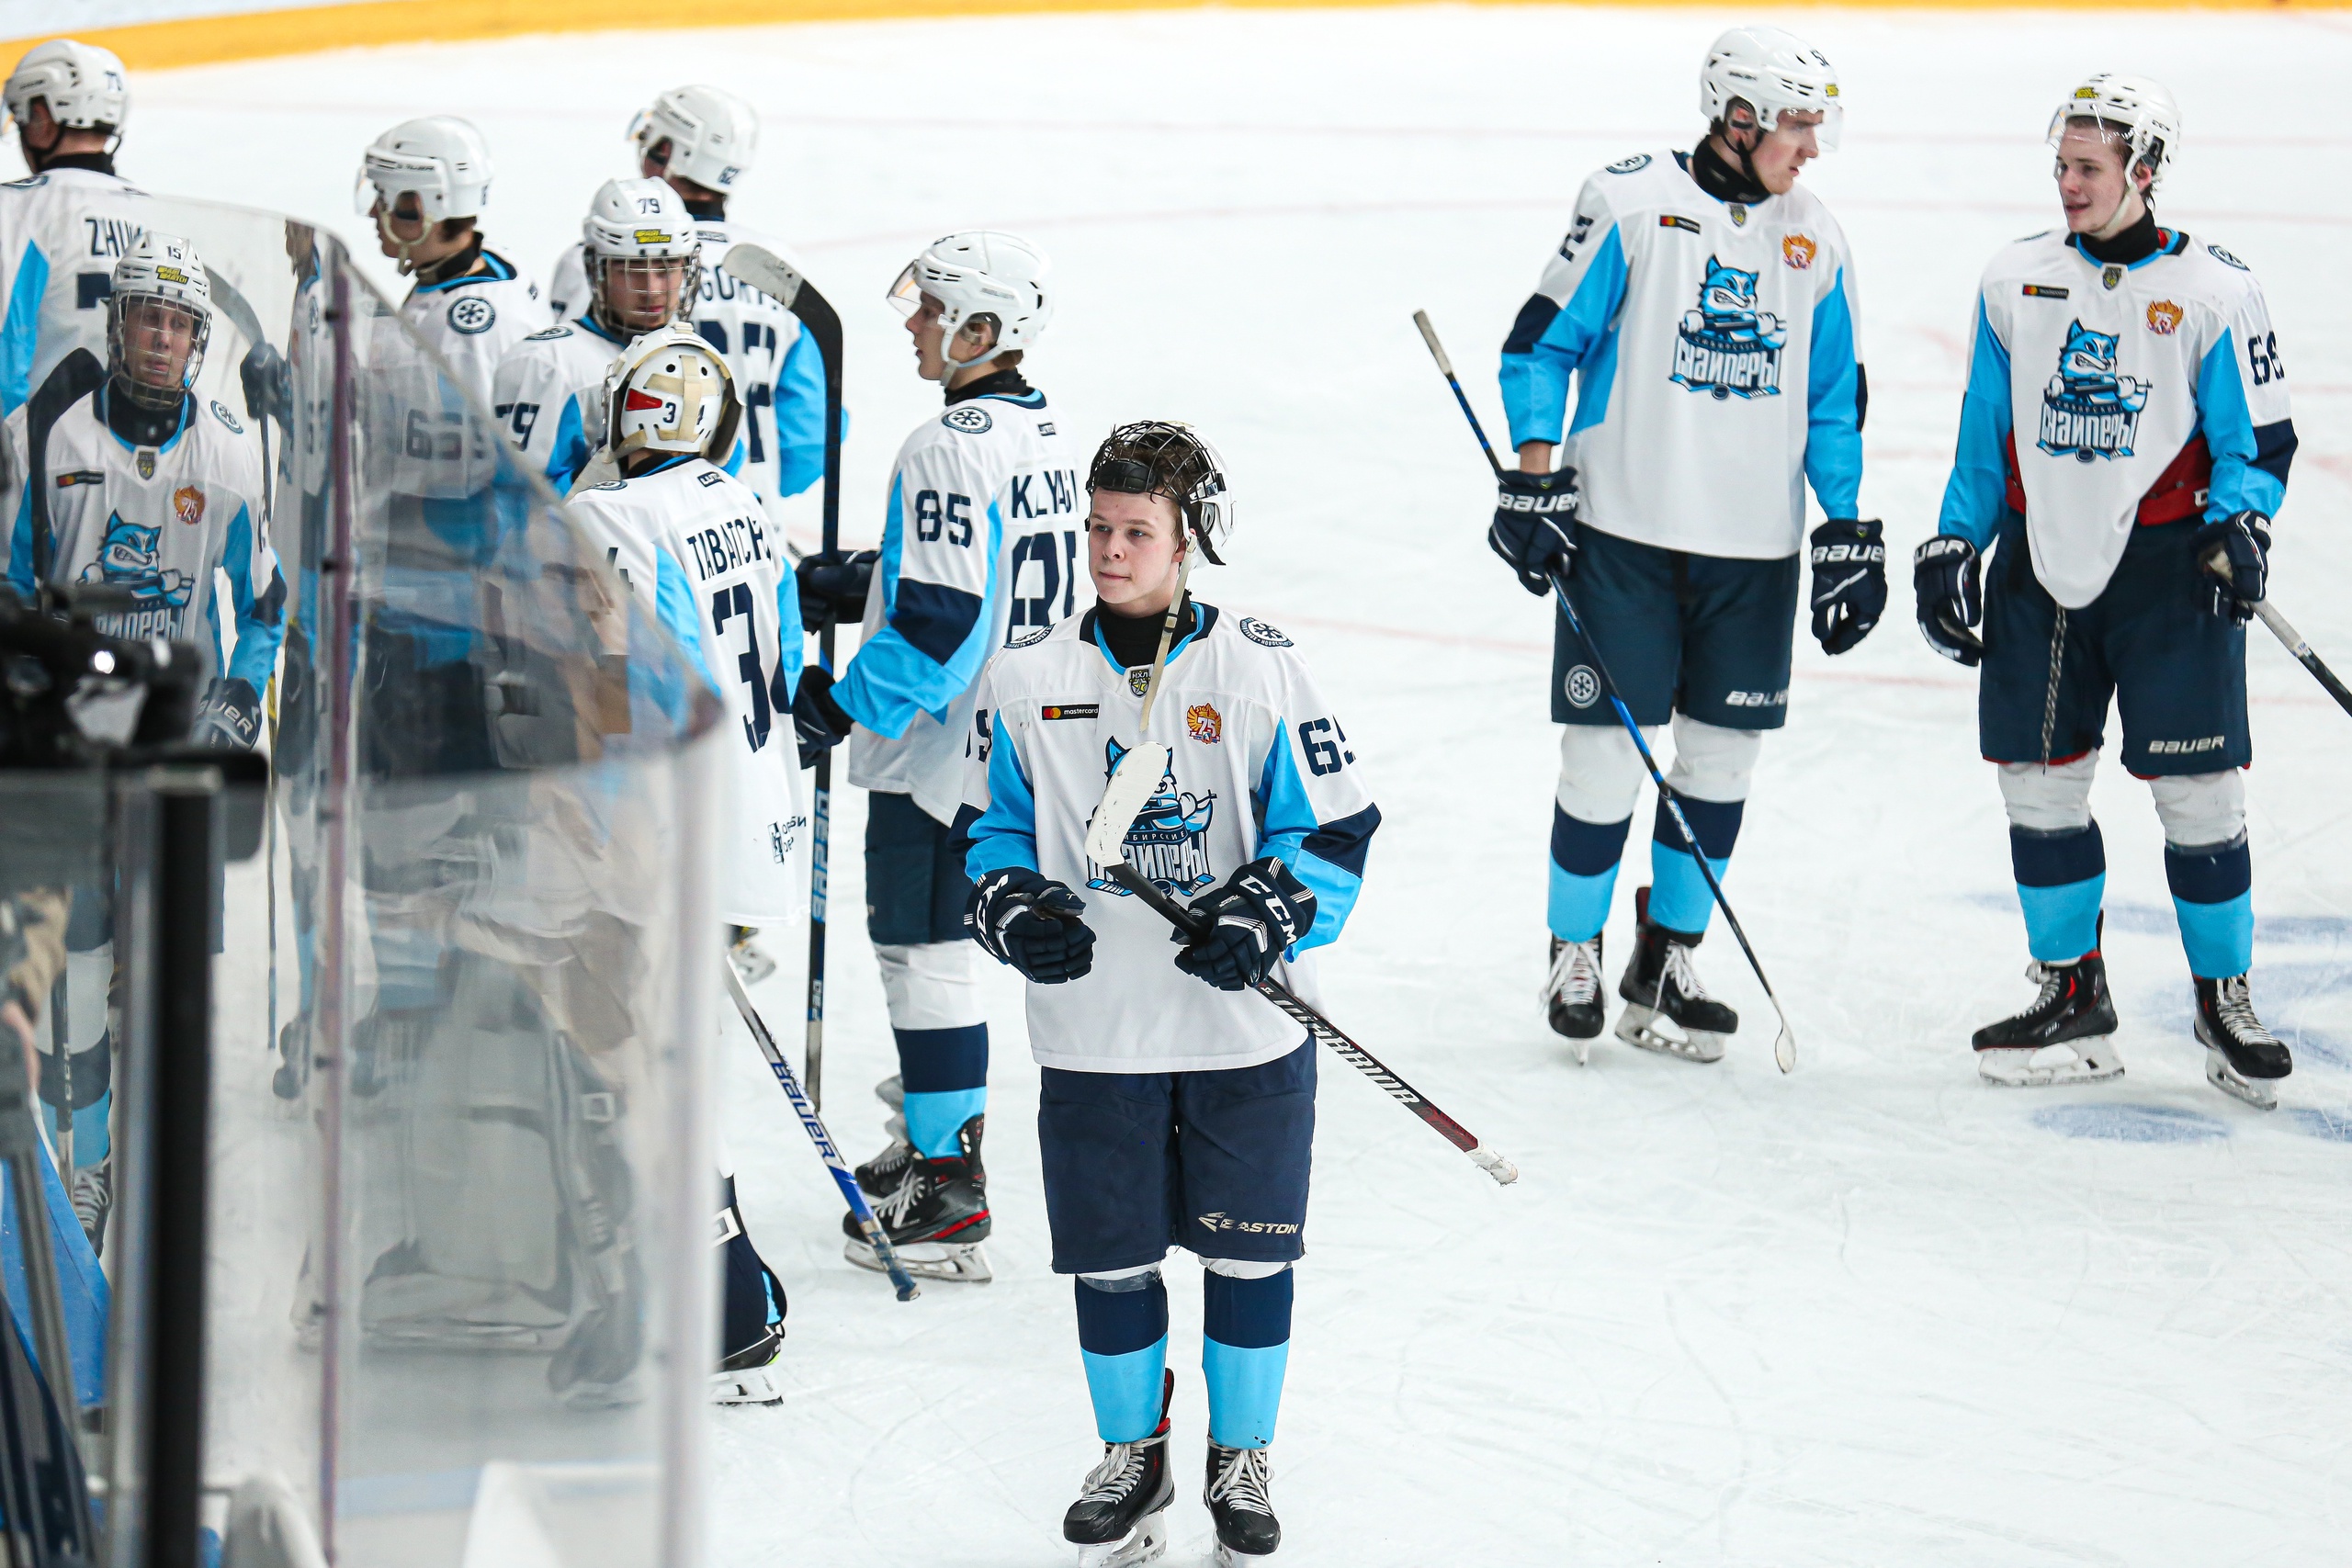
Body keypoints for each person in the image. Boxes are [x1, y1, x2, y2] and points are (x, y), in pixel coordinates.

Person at [957, 421, 1379, 1567]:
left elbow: (1334, 828)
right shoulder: (1027, 675)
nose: (1109, 550)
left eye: (1137, 531)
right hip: (1095, 1037)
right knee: (1110, 1261)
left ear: (1190, 541)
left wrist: (1268, 912)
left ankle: (1238, 1457)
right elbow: (986, 830)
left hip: (1241, 1033)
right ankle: (1130, 1455)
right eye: (1098, 527)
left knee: (1249, 1258)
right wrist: (1010, 907)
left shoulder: (1259, 668)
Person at [1491, 24, 1870, 1065]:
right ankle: (1574, 948)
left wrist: (1844, 526)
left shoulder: (1816, 236)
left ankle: (1665, 958)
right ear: (1738, 118)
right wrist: (1535, 475)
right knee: (1603, 759)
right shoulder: (1627, 203)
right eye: (1796, 125)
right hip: (1624, 536)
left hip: (1755, 553)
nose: (1813, 148)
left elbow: (1833, 401)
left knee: (1721, 761)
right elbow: (1542, 345)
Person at [1917, 74, 2297, 1108]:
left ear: (2145, 169)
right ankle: (2072, 990)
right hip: (2039, 565)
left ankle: (2224, 1000)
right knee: (2038, 785)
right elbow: (1985, 430)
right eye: (2061, 165)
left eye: (2087, 167)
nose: (2068, 184)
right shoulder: (2016, 280)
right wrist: (1954, 540)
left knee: (2200, 793)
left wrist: (2243, 522)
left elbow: (2257, 441)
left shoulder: (2216, 291)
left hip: (2170, 573)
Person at [789, 231, 1087, 1284]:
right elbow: (977, 574)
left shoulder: (945, 444)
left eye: (931, 309)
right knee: (934, 947)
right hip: (1016, 730)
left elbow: (940, 621)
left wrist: (840, 705)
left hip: (943, 746)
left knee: (923, 950)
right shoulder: (1043, 427)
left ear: (980, 329)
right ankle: (931, 1141)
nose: (913, 323)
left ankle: (948, 1184)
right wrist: (866, 579)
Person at [566, 325, 800, 1403]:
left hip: (662, 825)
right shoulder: (741, 500)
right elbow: (782, 658)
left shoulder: (610, 514)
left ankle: (720, 1310)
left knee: (631, 1066)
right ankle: (722, 1296)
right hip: (753, 814)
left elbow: (614, 689)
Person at [6, 232, 284, 742]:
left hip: (177, 725)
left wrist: (236, 701)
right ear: (118, 321)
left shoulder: (228, 455)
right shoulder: (45, 437)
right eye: (149, 317)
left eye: (180, 324)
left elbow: (264, 607)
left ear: (196, 339)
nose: (163, 339)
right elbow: (12, 590)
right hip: (64, 730)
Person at [545, 85, 830, 525]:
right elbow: (808, 442)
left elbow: (560, 392)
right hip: (746, 525)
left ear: (666, 152)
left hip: (624, 522)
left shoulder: (608, 261)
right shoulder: (779, 267)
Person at [493, 177, 701, 491]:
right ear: (596, 270)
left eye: (668, 267)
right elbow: (524, 497)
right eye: (632, 270)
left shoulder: (700, 361)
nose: (653, 290)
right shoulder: (548, 364)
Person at [355, 116, 548, 408]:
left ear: (415, 207)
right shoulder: (495, 259)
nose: (373, 212)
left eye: (382, 198)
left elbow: (480, 435)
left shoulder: (467, 336)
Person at [0, 39, 149, 418]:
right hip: (131, 442)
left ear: (42, 118)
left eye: (24, 119)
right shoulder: (152, 214)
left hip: (38, 445)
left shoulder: (15, 209)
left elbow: (7, 350)